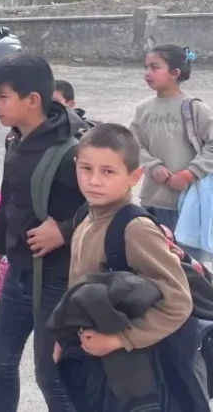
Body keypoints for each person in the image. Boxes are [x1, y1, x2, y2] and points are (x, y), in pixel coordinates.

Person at [54, 123, 195, 410]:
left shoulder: (135, 229)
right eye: (86, 169)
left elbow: (178, 302)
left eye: (108, 171)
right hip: (96, 363)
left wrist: (120, 339)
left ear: (134, 176)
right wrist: (65, 339)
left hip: (130, 375)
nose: (94, 181)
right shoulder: (88, 217)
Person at [0, 53, 84, 412]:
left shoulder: (74, 151)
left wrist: (65, 230)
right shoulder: (15, 140)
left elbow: (109, 206)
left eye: (2, 96)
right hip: (19, 271)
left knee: (51, 374)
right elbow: (9, 196)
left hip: (57, 279)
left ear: (33, 100)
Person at [129, 44, 213, 232]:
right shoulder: (143, 109)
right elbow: (132, 144)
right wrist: (152, 165)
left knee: (183, 252)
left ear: (175, 73)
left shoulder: (194, 108)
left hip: (188, 203)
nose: (147, 73)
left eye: (154, 67)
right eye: (146, 67)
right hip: (151, 201)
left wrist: (190, 174)